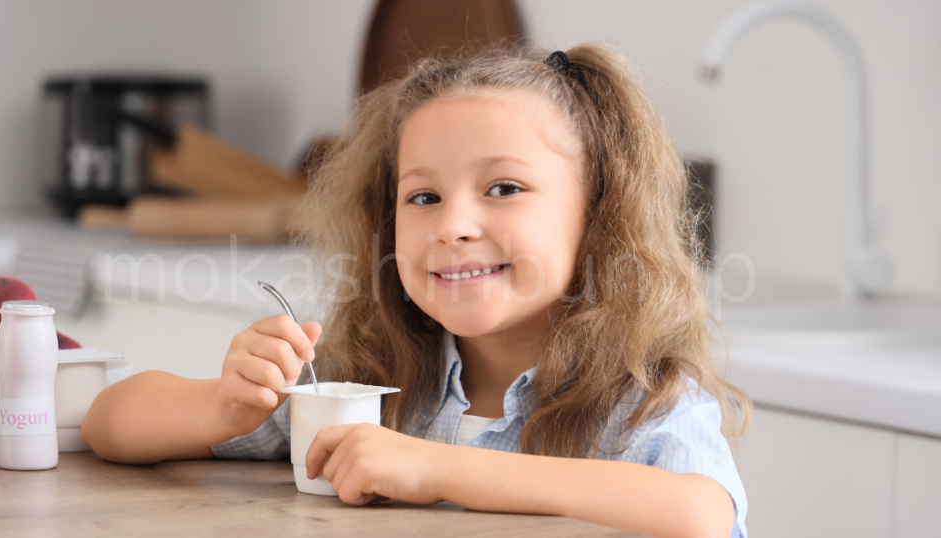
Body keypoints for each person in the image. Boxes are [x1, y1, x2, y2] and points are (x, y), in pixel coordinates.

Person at [82, 44, 752, 538]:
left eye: (504, 188)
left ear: (598, 213)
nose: (454, 226)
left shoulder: (640, 400)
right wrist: (222, 409)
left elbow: (700, 515)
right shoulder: (368, 383)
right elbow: (108, 422)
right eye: (423, 196)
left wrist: (434, 468)